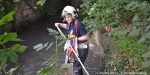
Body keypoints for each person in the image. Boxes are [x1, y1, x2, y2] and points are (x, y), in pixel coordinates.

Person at [55, 6, 89, 75]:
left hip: (82, 48)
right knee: (77, 65)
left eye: (69, 17)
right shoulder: (71, 23)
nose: (67, 19)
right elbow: (67, 26)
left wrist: (75, 38)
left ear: (73, 16)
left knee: (77, 66)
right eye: (66, 17)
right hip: (76, 47)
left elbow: (86, 37)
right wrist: (59, 24)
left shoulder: (79, 25)